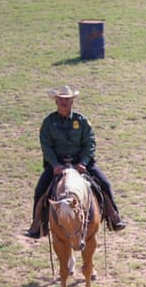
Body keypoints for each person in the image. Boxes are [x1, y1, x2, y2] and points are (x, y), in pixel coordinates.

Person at [27, 85, 126, 239]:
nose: (63, 102)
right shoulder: (48, 123)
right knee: (40, 190)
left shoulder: (82, 121)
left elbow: (90, 143)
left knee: (105, 184)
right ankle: (37, 224)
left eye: (67, 99)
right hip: (58, 165)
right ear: (56, 101)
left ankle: (113, 217)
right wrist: (54, 165)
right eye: (60, 100)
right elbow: (46, 146)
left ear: (72, 101)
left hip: (81, 163)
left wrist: (84, 163)